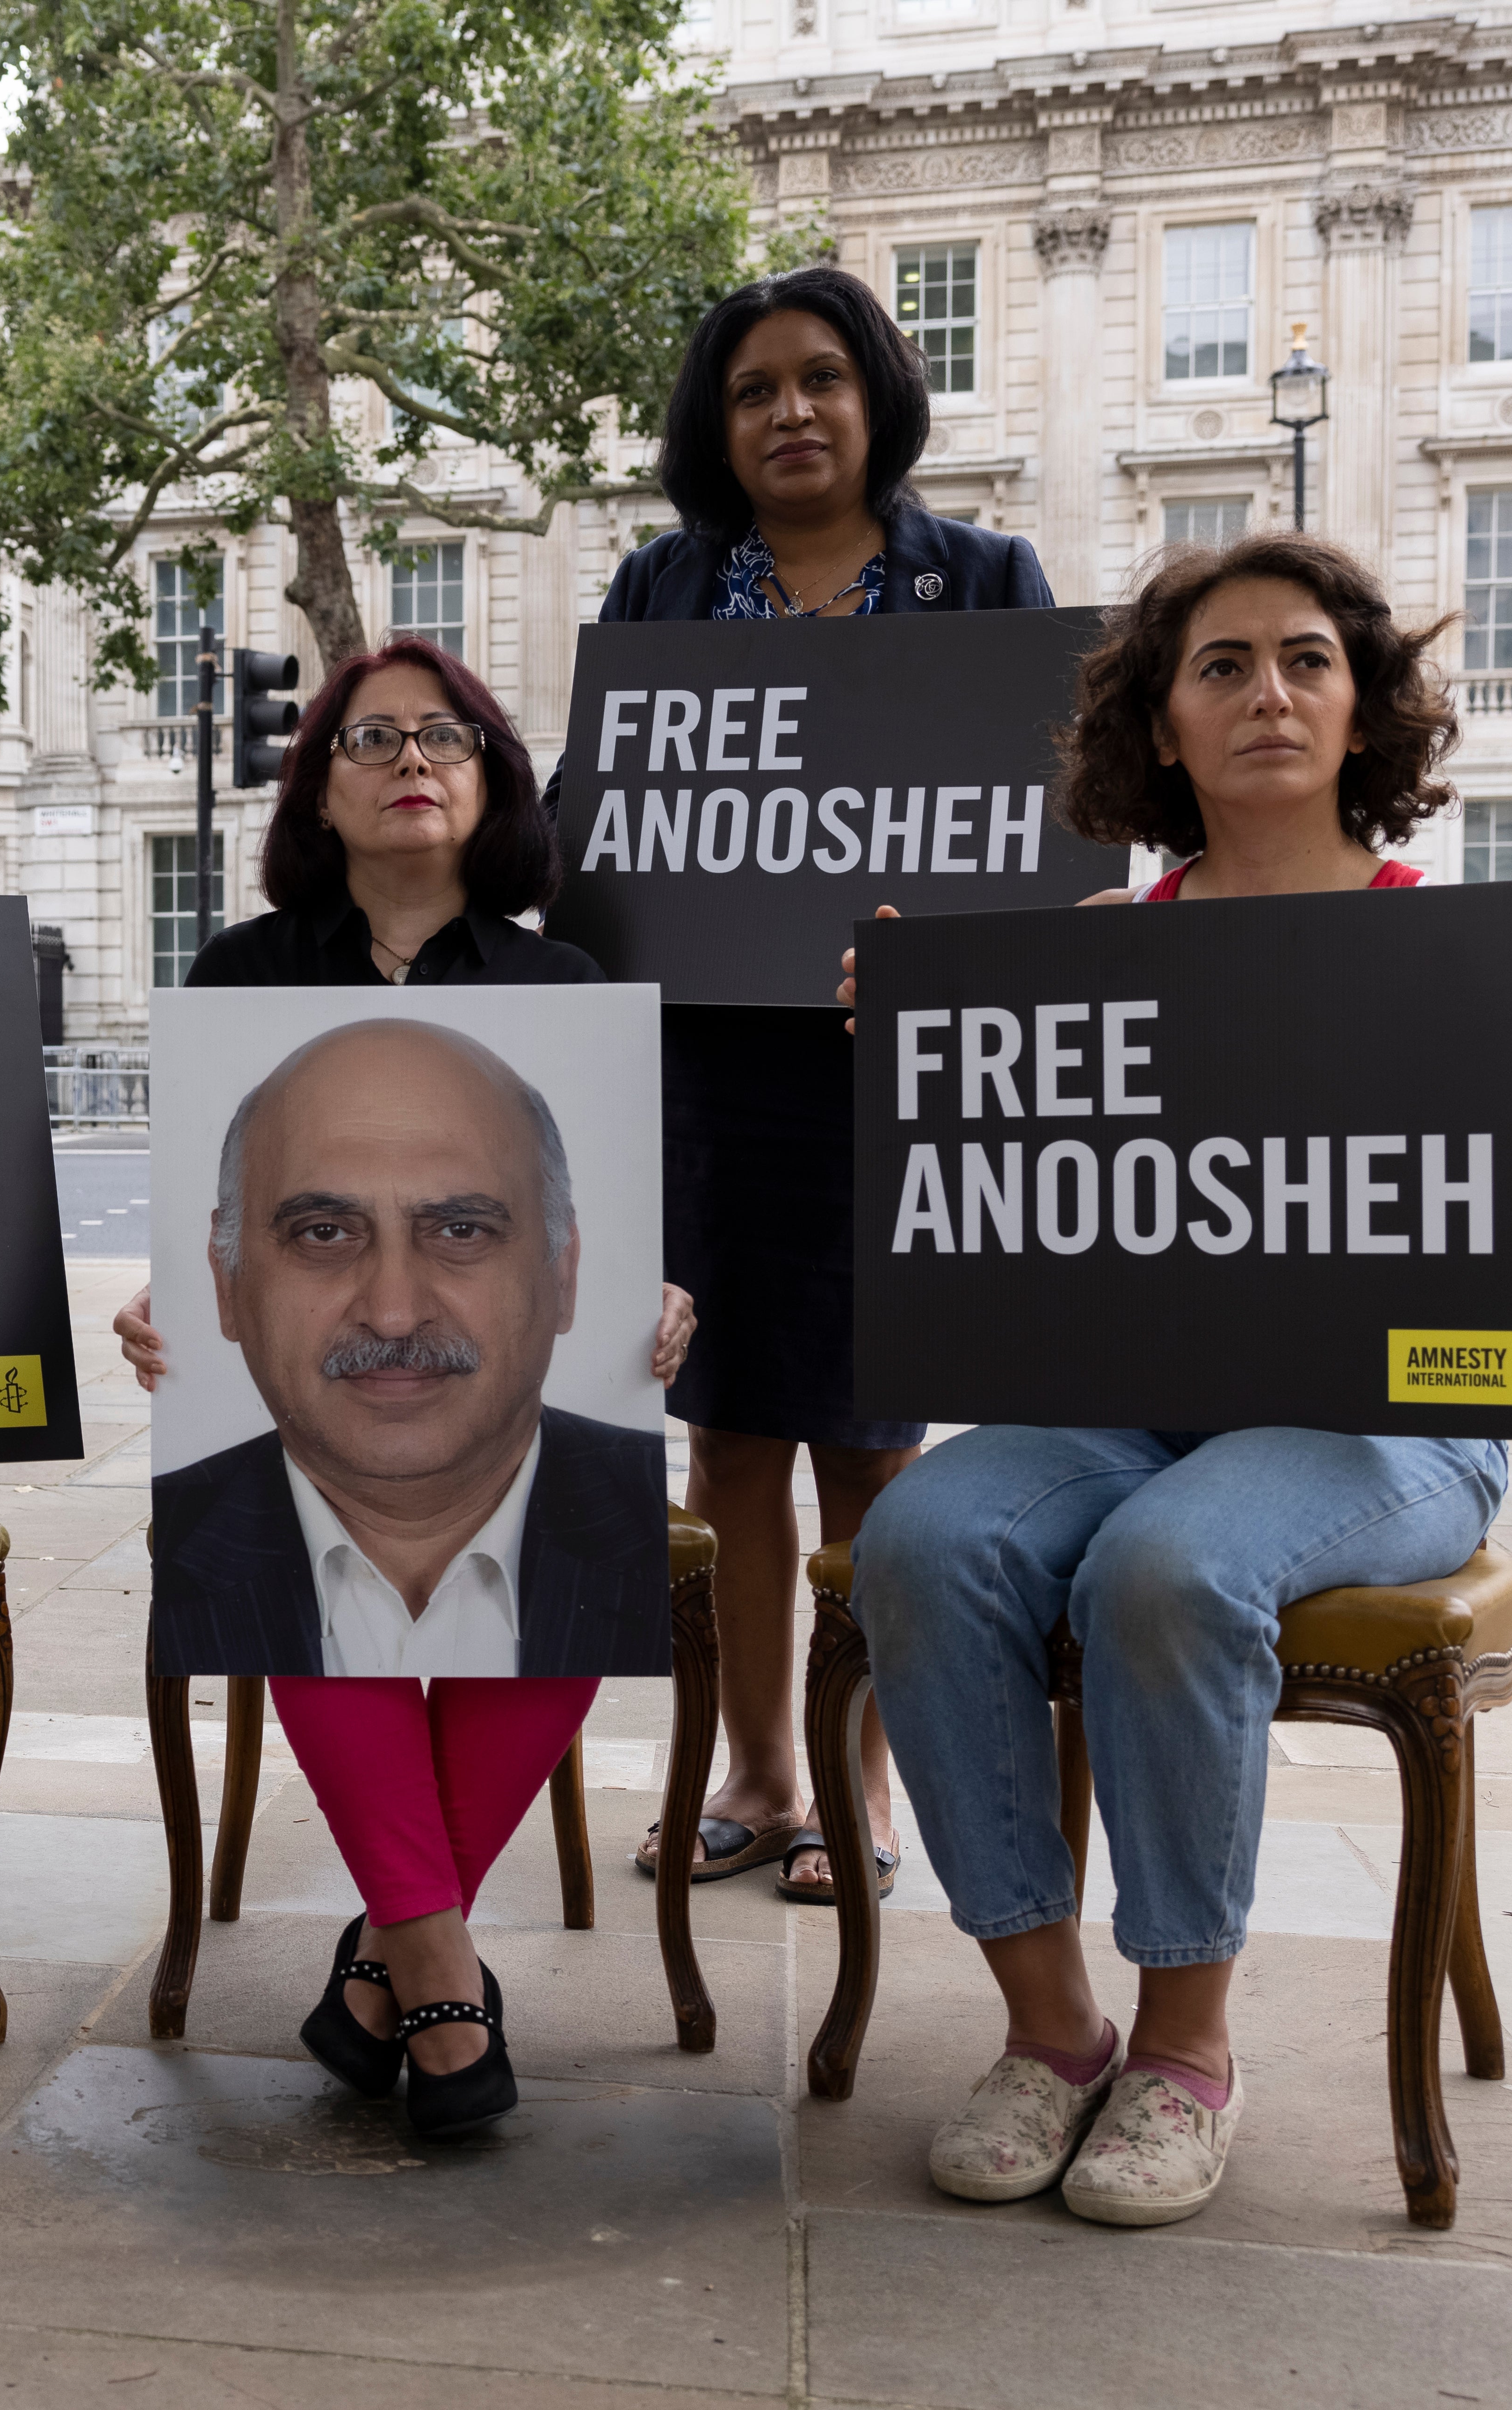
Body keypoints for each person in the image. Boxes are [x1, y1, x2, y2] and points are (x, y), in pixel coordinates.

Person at [833, 530, 1512, 2226]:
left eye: (1301, 660)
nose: (1263, 691)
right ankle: (1050, 2031)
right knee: (920, 1535)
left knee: (1171, 1562)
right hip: (1123, 1399)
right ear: (1163, 728)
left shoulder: (1465, 935)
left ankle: (1185, 2044)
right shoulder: (1095, 944)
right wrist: (909, 1032)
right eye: (1218, 667)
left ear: (1362, 711)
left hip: (1382, 1415)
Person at [110, 636, 690, 2139]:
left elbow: (612, 1218)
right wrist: (168, 1297)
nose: (409, 761)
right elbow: (204, 1217)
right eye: (368, 741)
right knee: (291, 1543)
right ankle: (430, 1952)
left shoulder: (562, 980)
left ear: (491, 776)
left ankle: (385, 1956)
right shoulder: (240, 973)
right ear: (318, 787)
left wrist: (654, 1297)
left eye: (443, 737)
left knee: (587, 1536)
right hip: (307, 1421)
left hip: (521, 1406)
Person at [605, 263, 1054, 1910]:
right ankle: (752, 1773)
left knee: (873, 1451)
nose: (788, 412)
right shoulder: (658, 590)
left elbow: (1051, 818)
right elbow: (614, 826)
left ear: (875, 400)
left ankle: (857, 1781)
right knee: (724, 1441)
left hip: (897, 1074)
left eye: (819, 379)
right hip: (710, 1076)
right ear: (712, 429)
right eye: (750, 391)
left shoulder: (986, 578)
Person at [151, 1017, 668, 1680]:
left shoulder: (669, 1537)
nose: (394, 1315)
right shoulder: (171, 1540)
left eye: (460, 1229)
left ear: (561, 1273)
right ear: (227, 1283)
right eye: (324, 1232)